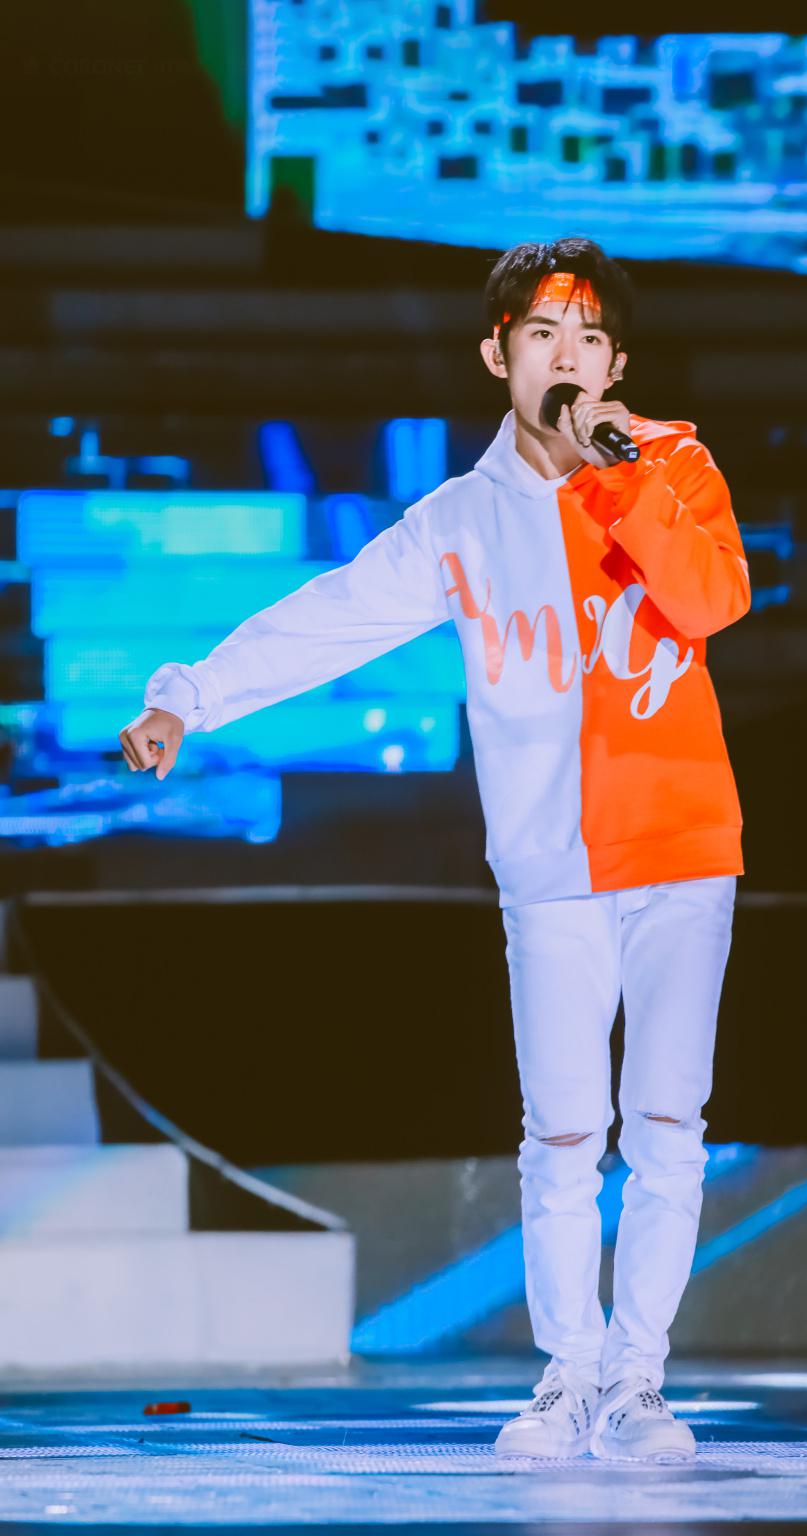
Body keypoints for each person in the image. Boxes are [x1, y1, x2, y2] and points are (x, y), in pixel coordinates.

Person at [120, 235, 750, 1464]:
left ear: (616, 366)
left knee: (667, 1126)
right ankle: (568, 1376)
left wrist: (618, 474)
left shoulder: (669, 463)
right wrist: (186, 696)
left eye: (588, 341)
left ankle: (639, 1382)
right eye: (541, 337)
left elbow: (708, 598)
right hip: (549, 864)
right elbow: (332, 618)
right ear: (498, 357)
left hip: (682, 849)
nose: (566, 359)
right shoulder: (461, 520)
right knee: (561, 1137)